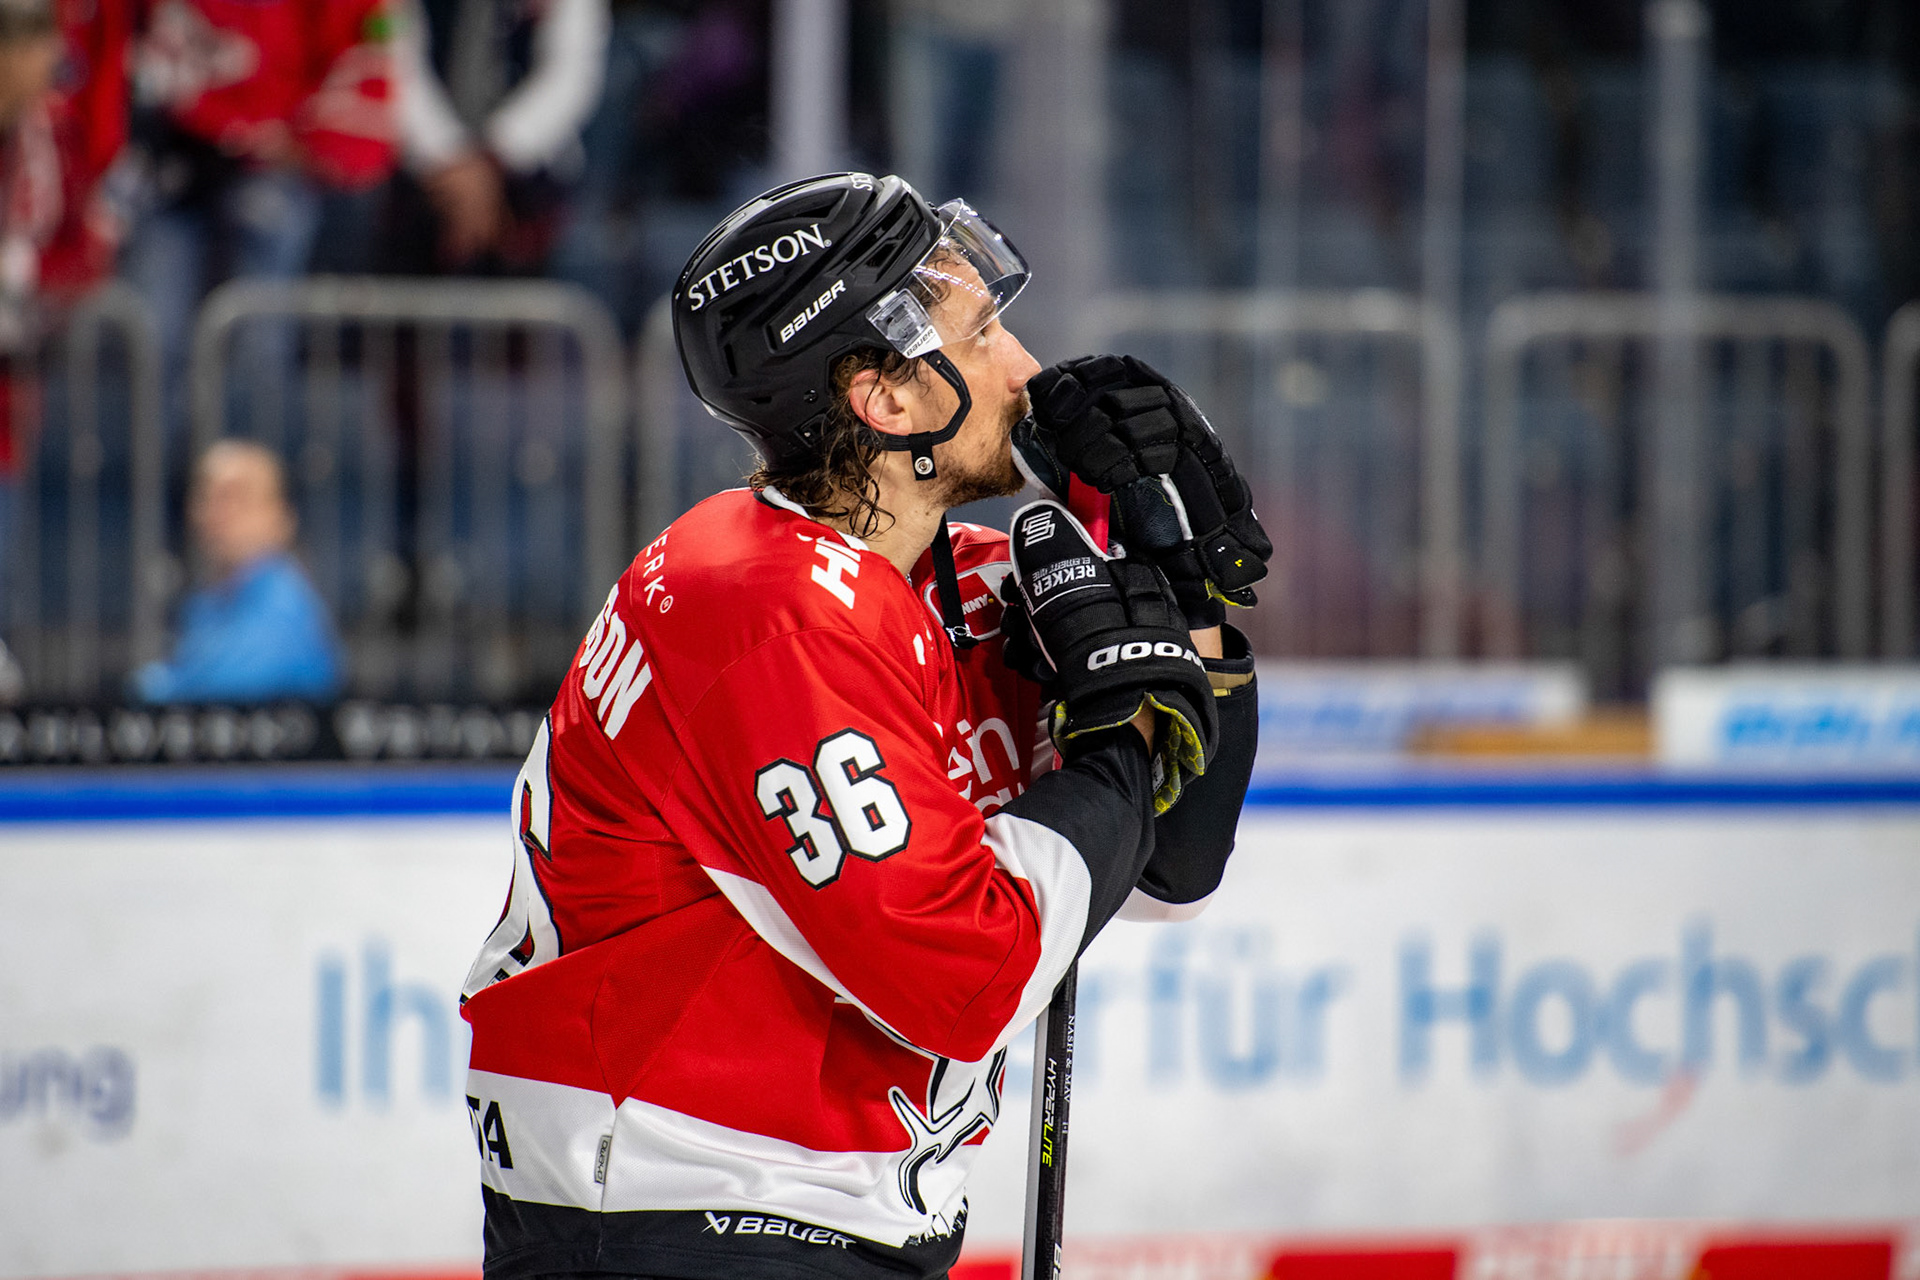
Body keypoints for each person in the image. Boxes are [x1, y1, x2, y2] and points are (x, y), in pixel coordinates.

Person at [456, 173, 1269, 1279]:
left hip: (818, 1206)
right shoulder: (758, 608)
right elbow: (968, 977)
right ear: (886, 398)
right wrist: (1123, 737)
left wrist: (1183, 601)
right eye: (981, 336)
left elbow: (1171, 870)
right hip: (677, 1206)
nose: (1025, 369)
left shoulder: (959, 581)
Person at [119, 0, 396, 442]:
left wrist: (305, 144)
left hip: (271, 164)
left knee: (257, 338)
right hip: (172, 159)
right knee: (152, 333)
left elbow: (360, 42)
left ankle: (244, 474)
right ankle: (166, 476)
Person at [388, 0, 610, 274]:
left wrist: (494, 156)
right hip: (429, 171)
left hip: (531, 177)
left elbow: (572, 75)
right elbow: (395, 57)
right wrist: (448, 154)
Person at [133, 438, 343, 704]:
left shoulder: (284, 602)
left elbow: (226, 691)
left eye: (236, 497)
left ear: (282, 516)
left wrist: (158, 687)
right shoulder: (203, 603)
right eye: (207, 497)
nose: (218, 513)